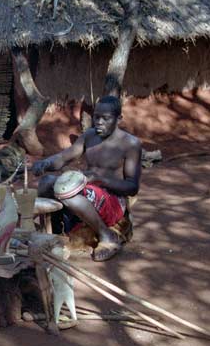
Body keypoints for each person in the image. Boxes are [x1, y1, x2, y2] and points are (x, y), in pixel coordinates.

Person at [31, 96, 141, 262]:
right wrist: (46, 163)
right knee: (46, 183)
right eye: (96, 117)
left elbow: (132, 187)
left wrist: (99, 179)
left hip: (113, 199)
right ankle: (56, 233)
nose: (99, 122)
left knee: (70, 193)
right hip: (87, 191)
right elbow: (64, 157)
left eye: (105, 118)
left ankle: (107, 236)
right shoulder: (89, 136)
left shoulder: (130, 144)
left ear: (119, 119)